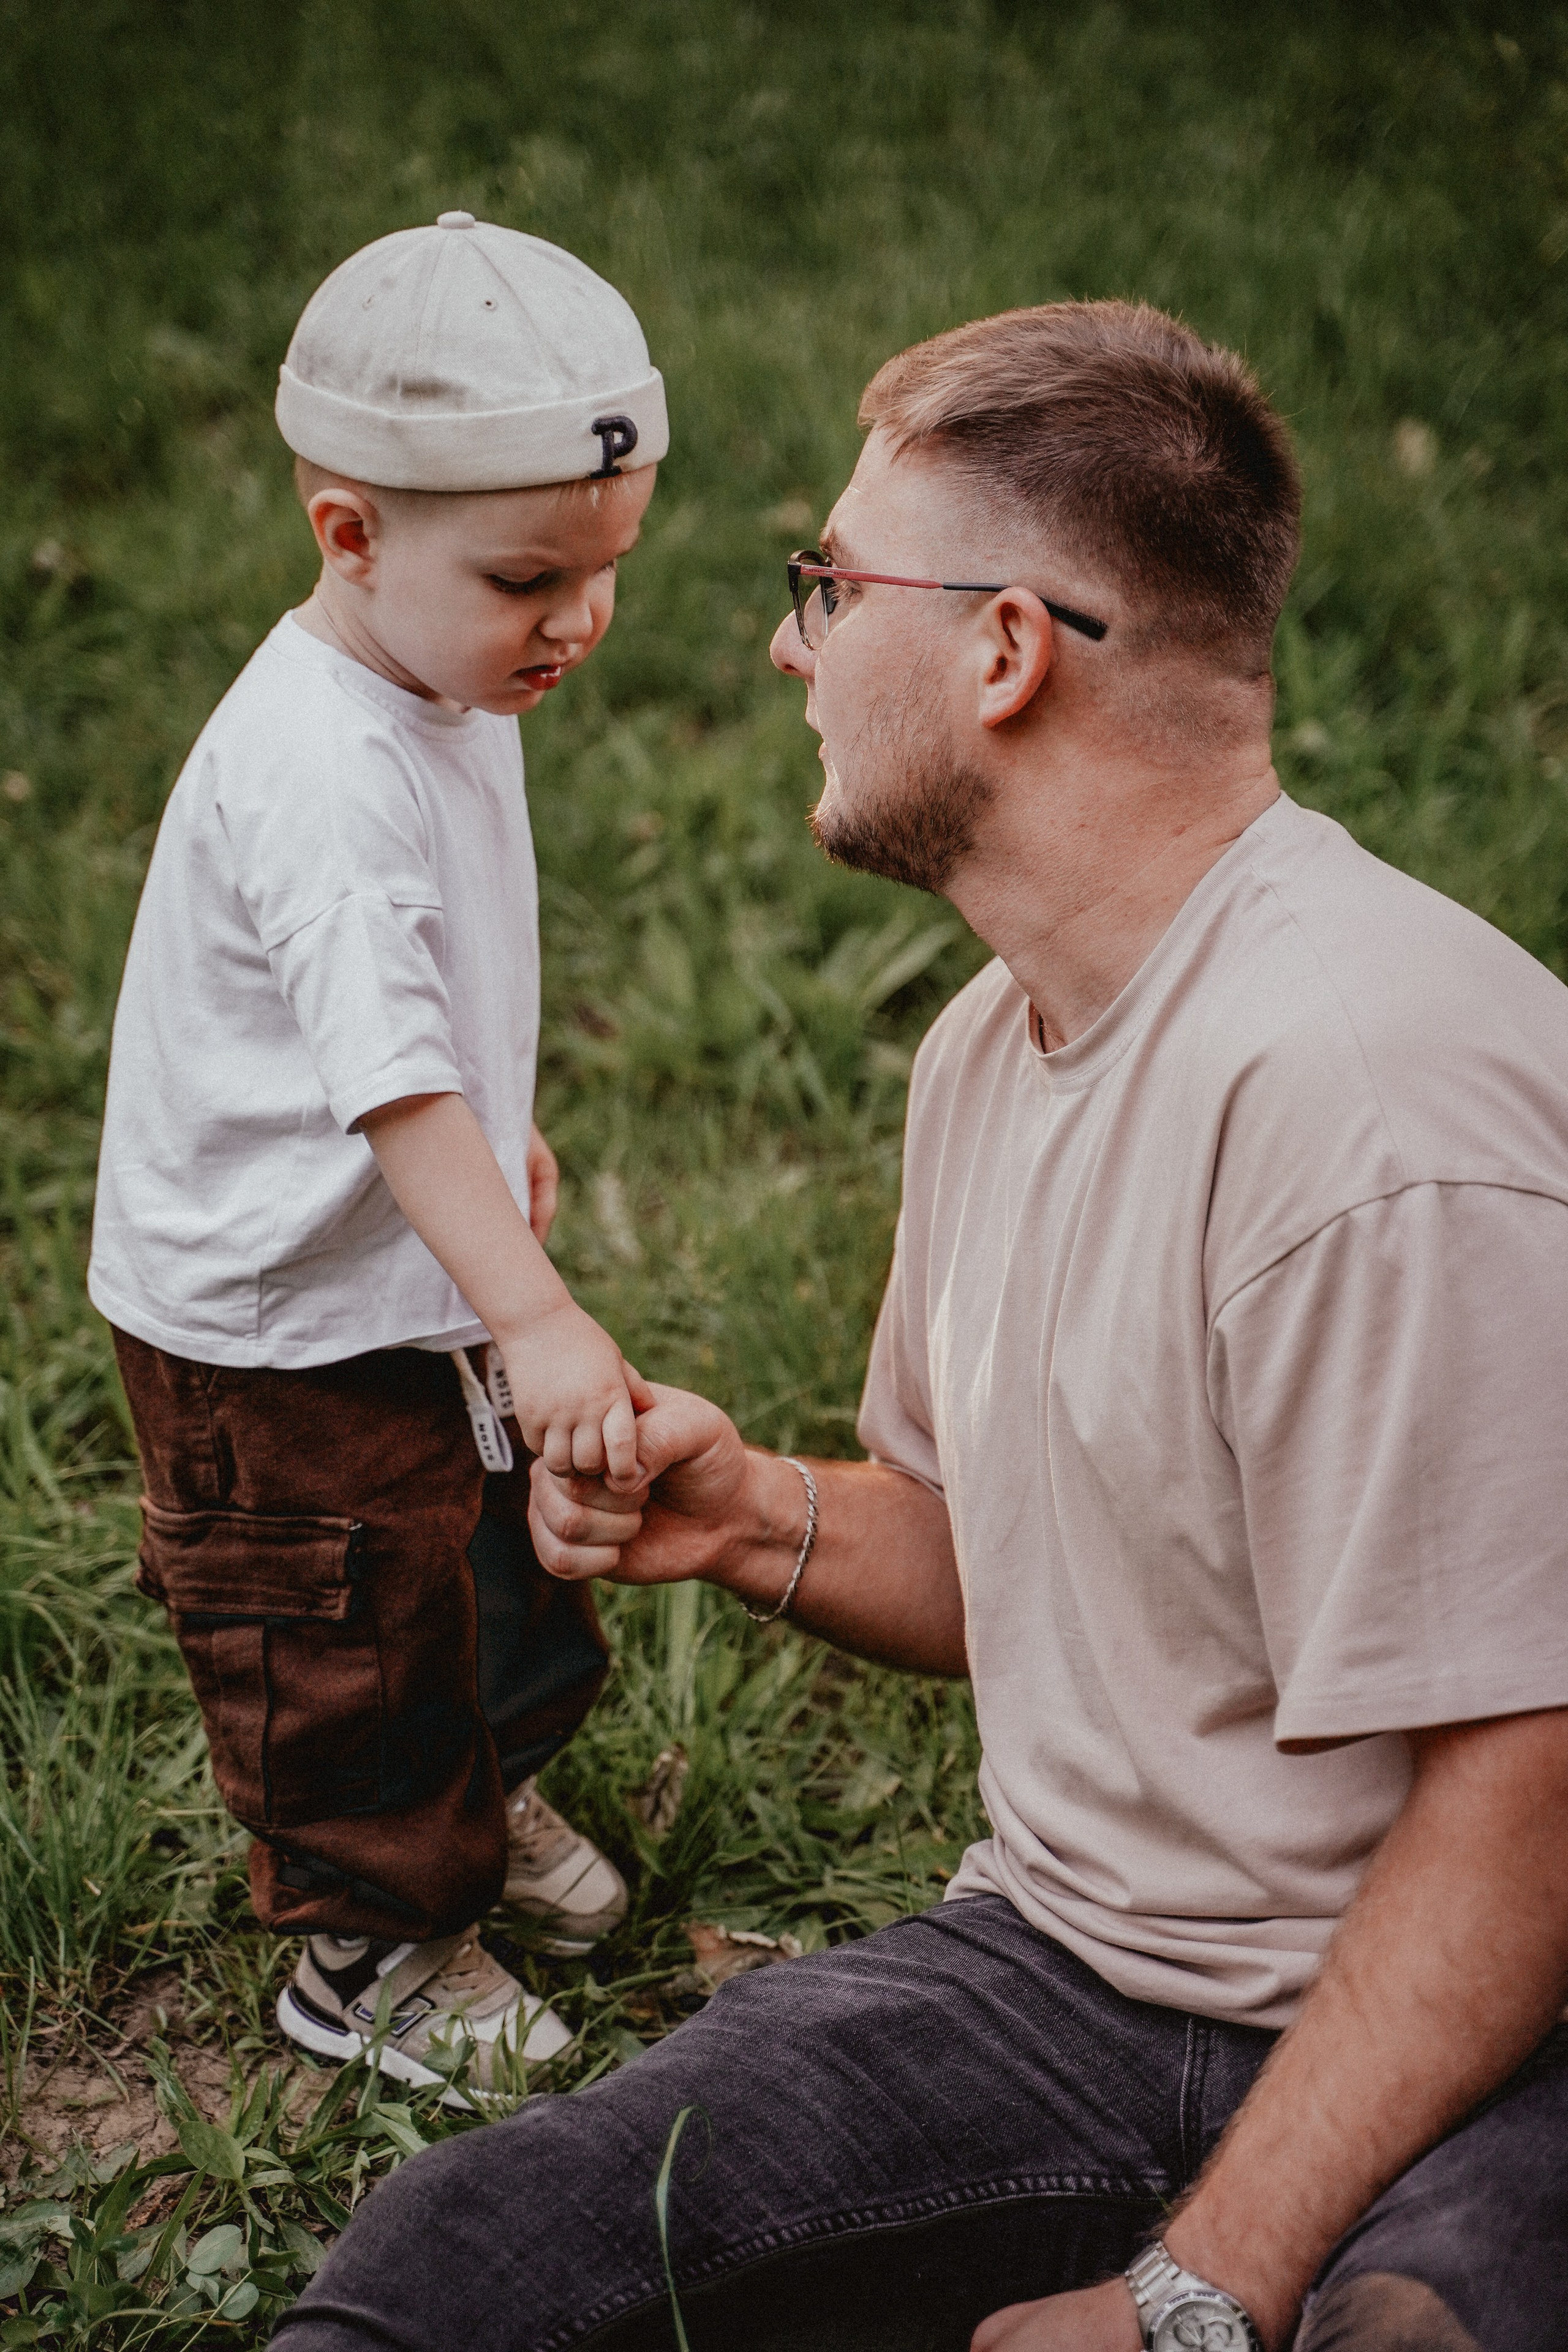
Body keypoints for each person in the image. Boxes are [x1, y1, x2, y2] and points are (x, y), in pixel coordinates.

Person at [274, 302, 1568, 2350]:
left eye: (830, 587)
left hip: (1499, 2039)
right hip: (1077, 1976)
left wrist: (1196, 2292)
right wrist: (749, 1516)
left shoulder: (1372, 1103)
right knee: (457, 2274)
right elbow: (1023, 1565)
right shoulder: (992, 1041)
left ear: (1004, 650)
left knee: (1410, 2333)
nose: (785, 650)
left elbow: (1533, 1794)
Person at [89, 213, 669, 2095]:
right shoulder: (322, 773)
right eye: (529, 579)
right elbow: (390, 1080)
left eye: (605, 569)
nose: (577, 622)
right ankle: (373, 1940)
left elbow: (426, 1014)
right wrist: (538, 1306)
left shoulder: (449, 672)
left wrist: (506, 1141)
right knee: (339, 1615)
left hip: (401, 1262)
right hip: (275, 1313)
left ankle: (471, 1801)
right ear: (349, 533)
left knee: (476, 1570)